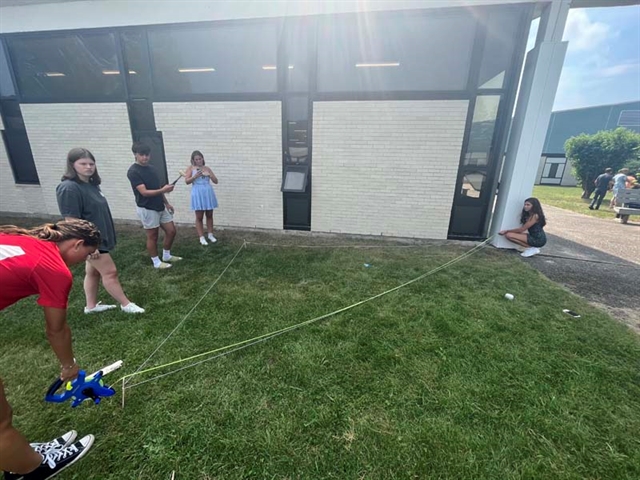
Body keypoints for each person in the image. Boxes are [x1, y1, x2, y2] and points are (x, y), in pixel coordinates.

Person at [0, 219, 99, 479]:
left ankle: (19, 455)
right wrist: (69, 367)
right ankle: (29, 469)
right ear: (77, 244)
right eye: (87, 254)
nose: (85, 260)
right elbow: (57, 329)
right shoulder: (54, 269)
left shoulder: (27, 239)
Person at [56, 148, 145, 314]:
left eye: (91, 163)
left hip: (98, 236)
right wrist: (89, 246)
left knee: (93, 272)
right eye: (83, 163)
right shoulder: (69, 188)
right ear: (72, 165)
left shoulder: (91, 185)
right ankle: (126, 304)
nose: (88, 167)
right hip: (89, 241)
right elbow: (71, 221)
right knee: (110, 272)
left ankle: (91, 307)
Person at [127, 142, 182, 269]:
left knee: (171, 231)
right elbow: (144, 192)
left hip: (160, 205)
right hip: (147, 207)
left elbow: (157, 188)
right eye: (142, 155)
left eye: (147, 155)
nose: (145, 157)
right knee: (153, 235)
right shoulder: (133, 172)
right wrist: (163, 190)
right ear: (135, 155)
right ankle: (156, 262)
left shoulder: (152, 169)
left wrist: (166, 203)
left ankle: (166, 255)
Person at [185, 150, 219, 246]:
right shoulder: (191, 169)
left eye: (200, 159)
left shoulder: (207, 168)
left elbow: (216, 181)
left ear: (203, 158)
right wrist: (195, 176)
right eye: (196, 159)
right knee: (199, 216)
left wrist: (210, 175)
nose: (199, 161)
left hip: (207, 192)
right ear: (193, 160)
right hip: (198, 192)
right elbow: (187, 181)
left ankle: (210, 234)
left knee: (209, 214)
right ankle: (201, 237)